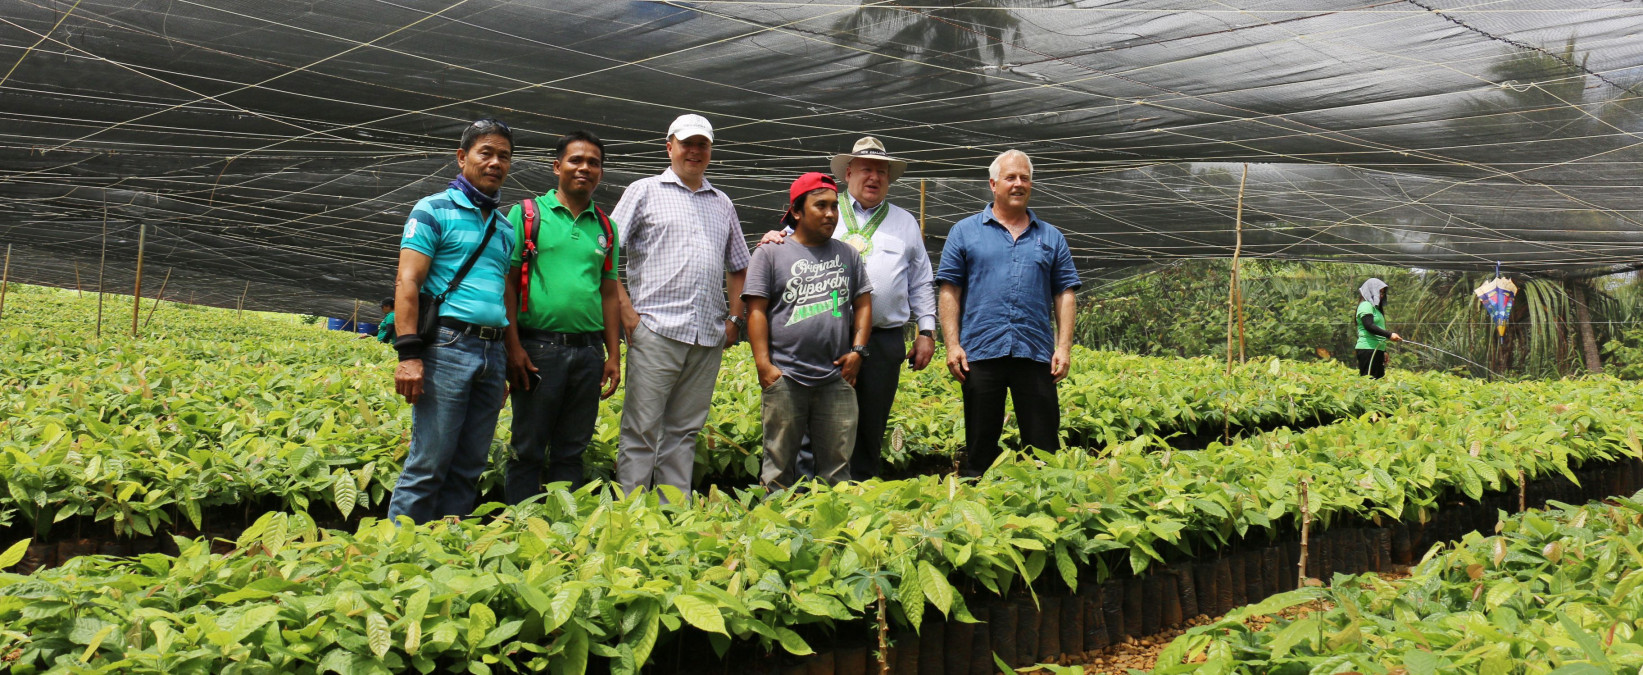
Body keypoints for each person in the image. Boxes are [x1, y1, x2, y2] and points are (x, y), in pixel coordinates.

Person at [757, 137, 937, 480]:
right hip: (828, 338)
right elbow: (786, 243)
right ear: (849, 172)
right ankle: (809, 498)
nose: (874, 177)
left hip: (883, 341)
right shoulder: (824, 208)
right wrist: (773, 236)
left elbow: (920, 281)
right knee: (815, 427)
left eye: (882, 171)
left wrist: (926, 330)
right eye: (866, 169)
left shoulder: (905, 223)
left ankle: (859, 498)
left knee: (871, 423)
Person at [611, 114, 750, 500]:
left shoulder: (721, 202)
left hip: (707, 335)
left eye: (701, 144)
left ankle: (673, 518)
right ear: (669, 146)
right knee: (641, 429)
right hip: (655, 329)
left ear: (709, 151)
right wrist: (628, 316)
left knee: (685, 431)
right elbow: (605, 251)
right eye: (686, 143)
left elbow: (739, 266)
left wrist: (734, 320)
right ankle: (630, 516)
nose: (694, 151)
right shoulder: (644, 191)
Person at [387, 118, 515, 525]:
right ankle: (397, 557)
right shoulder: (432, 210)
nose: (495, 162)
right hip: (447, 345)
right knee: (429, 462)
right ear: (462, 158)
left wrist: (502, 363)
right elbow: (408, 280)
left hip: (490, 352)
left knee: (470, 465)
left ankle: (445, 553)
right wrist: (409, 355)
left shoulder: (505, 226)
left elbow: (500, 295)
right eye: (486, 153)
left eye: (504, 156)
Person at [935, 149, 1080, 475]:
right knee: (980, 443)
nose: (1018, 184)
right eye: (1010, 177)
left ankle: (1044, 509)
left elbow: (1065, 294)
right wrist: (952, 345)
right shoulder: (964, 231)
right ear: (993, 183)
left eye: (1024, 178)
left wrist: (1064, 346)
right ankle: (976, 500)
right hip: (981, 351)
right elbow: (949, 290)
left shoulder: (1051, 237)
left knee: (1044, 444)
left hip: (1035, 352)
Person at [501, 131, 623, 504]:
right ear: (557, 166)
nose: (584, 168)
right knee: (528, 445)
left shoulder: (606, 226)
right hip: (539, 348)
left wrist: (613, 355)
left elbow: (608, 291)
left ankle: (561, 532)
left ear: (601, 173)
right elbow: (507, 282)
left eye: (594, 163)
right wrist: (514, 346)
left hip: (587, 353)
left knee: (573, 447)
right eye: (576, 160)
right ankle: (519, 522)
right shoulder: (526, 215)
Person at [745, 173, 873, 488]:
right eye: (820, 206)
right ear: (797, 212)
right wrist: (763, 363)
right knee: (778, 469)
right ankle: (775, 532)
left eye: (833, 206)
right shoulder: (770, 252)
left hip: (834, 379)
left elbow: (864, 304)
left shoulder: (848, 254)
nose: (830, 213)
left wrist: (857, 351)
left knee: (837, 471)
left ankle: (833, 532)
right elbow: (756, 310)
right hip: (786, 376)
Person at [1355, 278, 1402, 378]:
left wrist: (1383, 351)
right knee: (1368, 381)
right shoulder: (1366, 305)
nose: (1381, 295)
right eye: (1379, 292)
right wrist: (1389, 335)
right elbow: (1369, 326)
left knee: (1377, 381)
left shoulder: (1376, 309)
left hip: (1377, 349)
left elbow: (1378, 329)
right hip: (1368, 349)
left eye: (1383, 293)